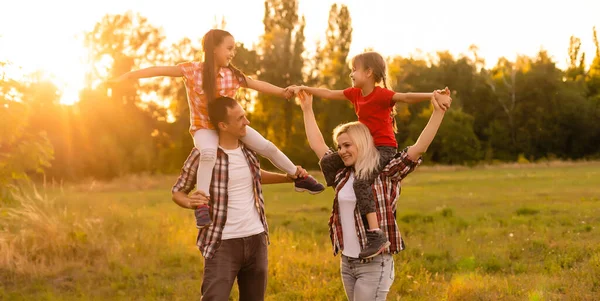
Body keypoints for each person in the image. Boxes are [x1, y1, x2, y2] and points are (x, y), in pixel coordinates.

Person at [111, 29, 324, 228]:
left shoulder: (232, 75)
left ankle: (298, 176)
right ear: (214, 48)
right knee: (208, 154)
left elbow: (256, 84)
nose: (232, 53)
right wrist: (128, 77)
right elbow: (158, 71)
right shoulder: (192, 70)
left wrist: (284, 92)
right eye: (229, 48)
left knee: (267, 146)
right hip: (204, 128)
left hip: (230, 127)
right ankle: (202, 203)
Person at [288, 51, 450, 258]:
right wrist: (303, 89)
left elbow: (406, 98)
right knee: (329, 161)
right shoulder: (355, 94)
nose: (351, 74)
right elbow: (328, 93)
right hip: (366, 148)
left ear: (369, 72)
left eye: (354, 70)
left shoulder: (382, 94)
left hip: (383, 149)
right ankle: (330, 184)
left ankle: (376, 233)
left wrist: (433, 96)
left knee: (361, 182)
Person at [297, 89, 450, 300]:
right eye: (339, 146)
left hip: (374, 264)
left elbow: (419, 147)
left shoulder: (386, 172)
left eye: (347, 145)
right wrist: (307, 109)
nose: (341, 151)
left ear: (362, 143)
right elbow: (317, 145)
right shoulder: (343, 175)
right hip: (348, 262)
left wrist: (438, 112)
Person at [171, 96, 304, 300]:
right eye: (240, 118)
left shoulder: (249, 150)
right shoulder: (203, 154)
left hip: (256, 239)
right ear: (223, 125)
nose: (247, 122)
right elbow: (178, 191)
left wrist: (288, 178)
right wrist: (190, 202)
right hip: (222, 243)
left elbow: (255, 175)